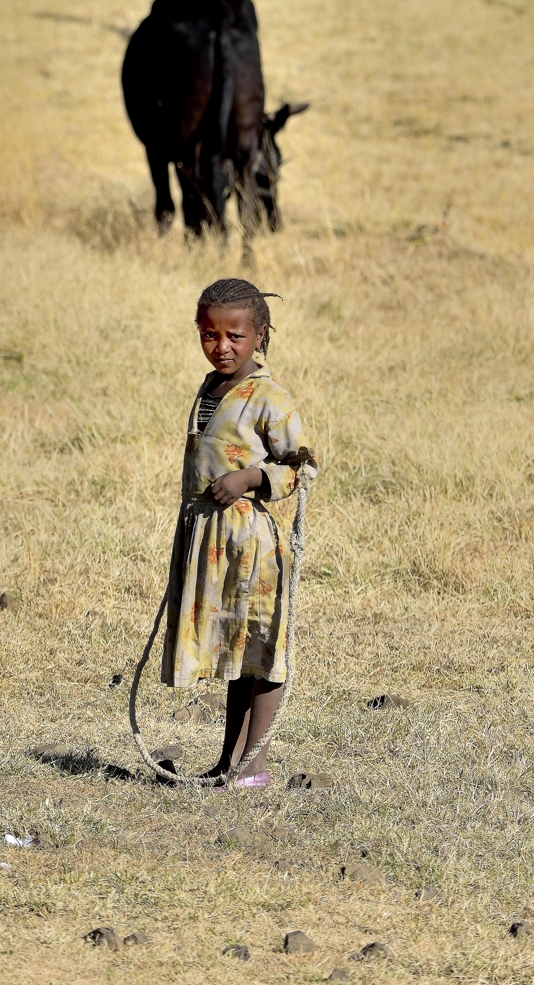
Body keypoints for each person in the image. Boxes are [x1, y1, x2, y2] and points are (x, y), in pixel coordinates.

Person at [160, 277, 310, 788]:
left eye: (235, 337)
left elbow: (302, 466)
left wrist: (250, 478)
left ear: (260, 336)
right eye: (209, 334)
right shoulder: (209, 387)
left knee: (260, 650)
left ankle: (256, 768)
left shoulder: (268, 397)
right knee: (235, 652)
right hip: (209, 542)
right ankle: (230, 764)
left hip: (249, 546)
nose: (221, 346)